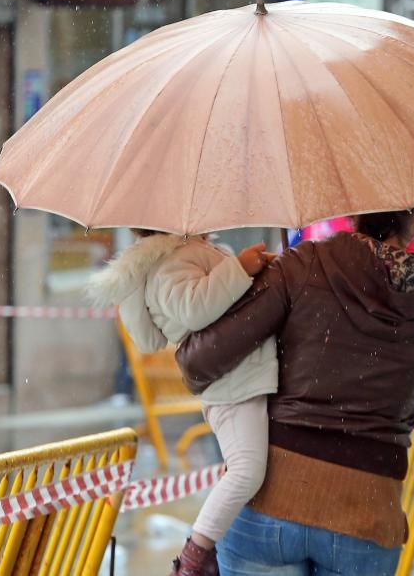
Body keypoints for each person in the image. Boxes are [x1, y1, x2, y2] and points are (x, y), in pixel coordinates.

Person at [175, 208, 414, 575]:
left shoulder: (302, 264)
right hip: (368, 513)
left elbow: (199, 364)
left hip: (270, 500)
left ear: (352, 209)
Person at [88, 231, 277, 575]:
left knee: (245, 471)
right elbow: (193, 308)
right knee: (247, 470)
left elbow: (148, 336)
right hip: (236, 381)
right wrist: (240, 267)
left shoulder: (180, 255)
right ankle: (194, 559)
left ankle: (218, 552)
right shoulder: (175, 257)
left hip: (240, 376)